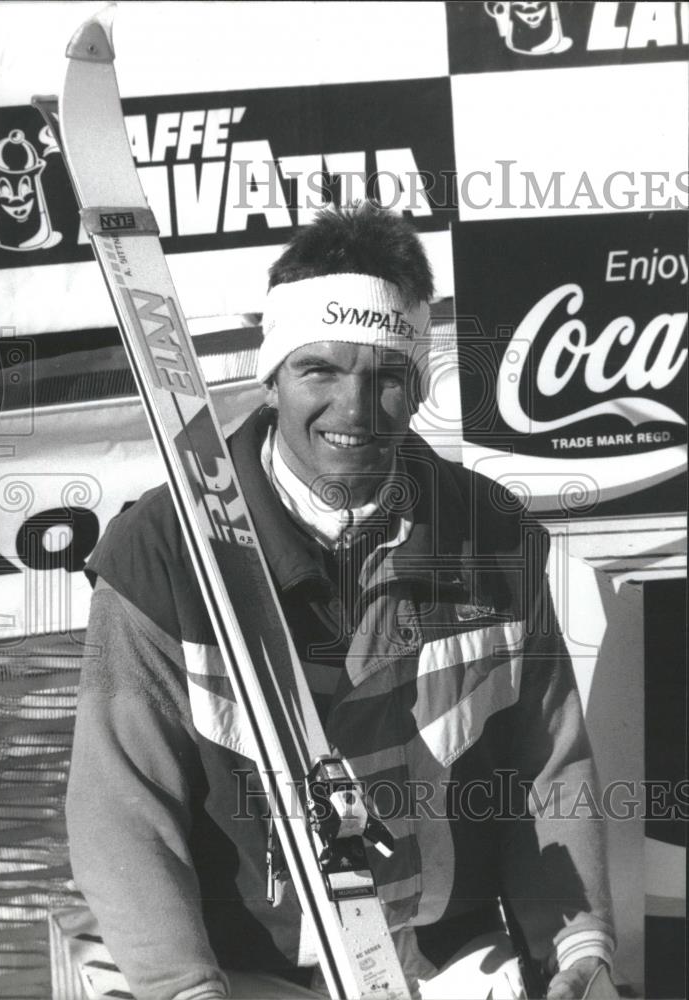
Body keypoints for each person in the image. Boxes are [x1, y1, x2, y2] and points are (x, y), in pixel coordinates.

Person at [67, 203, 616, 1000]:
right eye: (317, 369)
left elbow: (547, 767)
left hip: (441, 955)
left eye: (386, 377)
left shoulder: (488, 537)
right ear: (273, 375)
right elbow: (123, 810)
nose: (354, 411)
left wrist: (579, 947)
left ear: (417, 385)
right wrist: (182, 985)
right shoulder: (164, 555)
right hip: (238, 966)